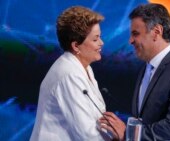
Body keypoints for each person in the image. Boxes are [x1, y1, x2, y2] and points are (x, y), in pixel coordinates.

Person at [99, 3, 170, 141]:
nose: (130, 40)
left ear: (156, 32)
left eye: (135, 34)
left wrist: (129, 133)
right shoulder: (146, 67)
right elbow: (143, 120)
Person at [30, 6, 111, 141]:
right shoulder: (69, 74)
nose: (101, 43)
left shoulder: (84, 68)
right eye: (95, 39)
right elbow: (87, 135)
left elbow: (98, 119)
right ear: (76, 46)